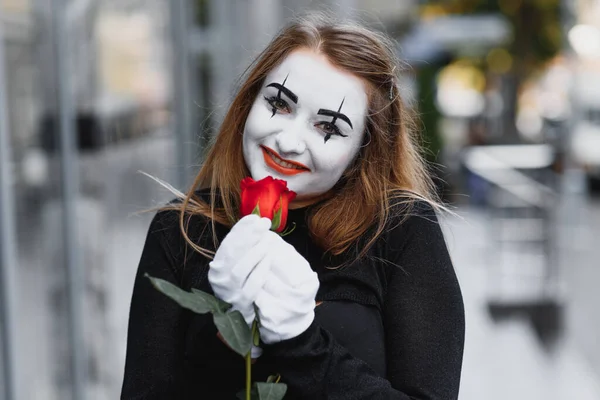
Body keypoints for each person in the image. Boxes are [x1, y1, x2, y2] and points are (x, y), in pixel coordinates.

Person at [121, 14, 465, 400]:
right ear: (249, 101)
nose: (288, 142)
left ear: (364, 149)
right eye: (279, 104)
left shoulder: (400, 230)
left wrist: (300, 342)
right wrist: (226, 339)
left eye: (329, 128)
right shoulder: (181, 228)